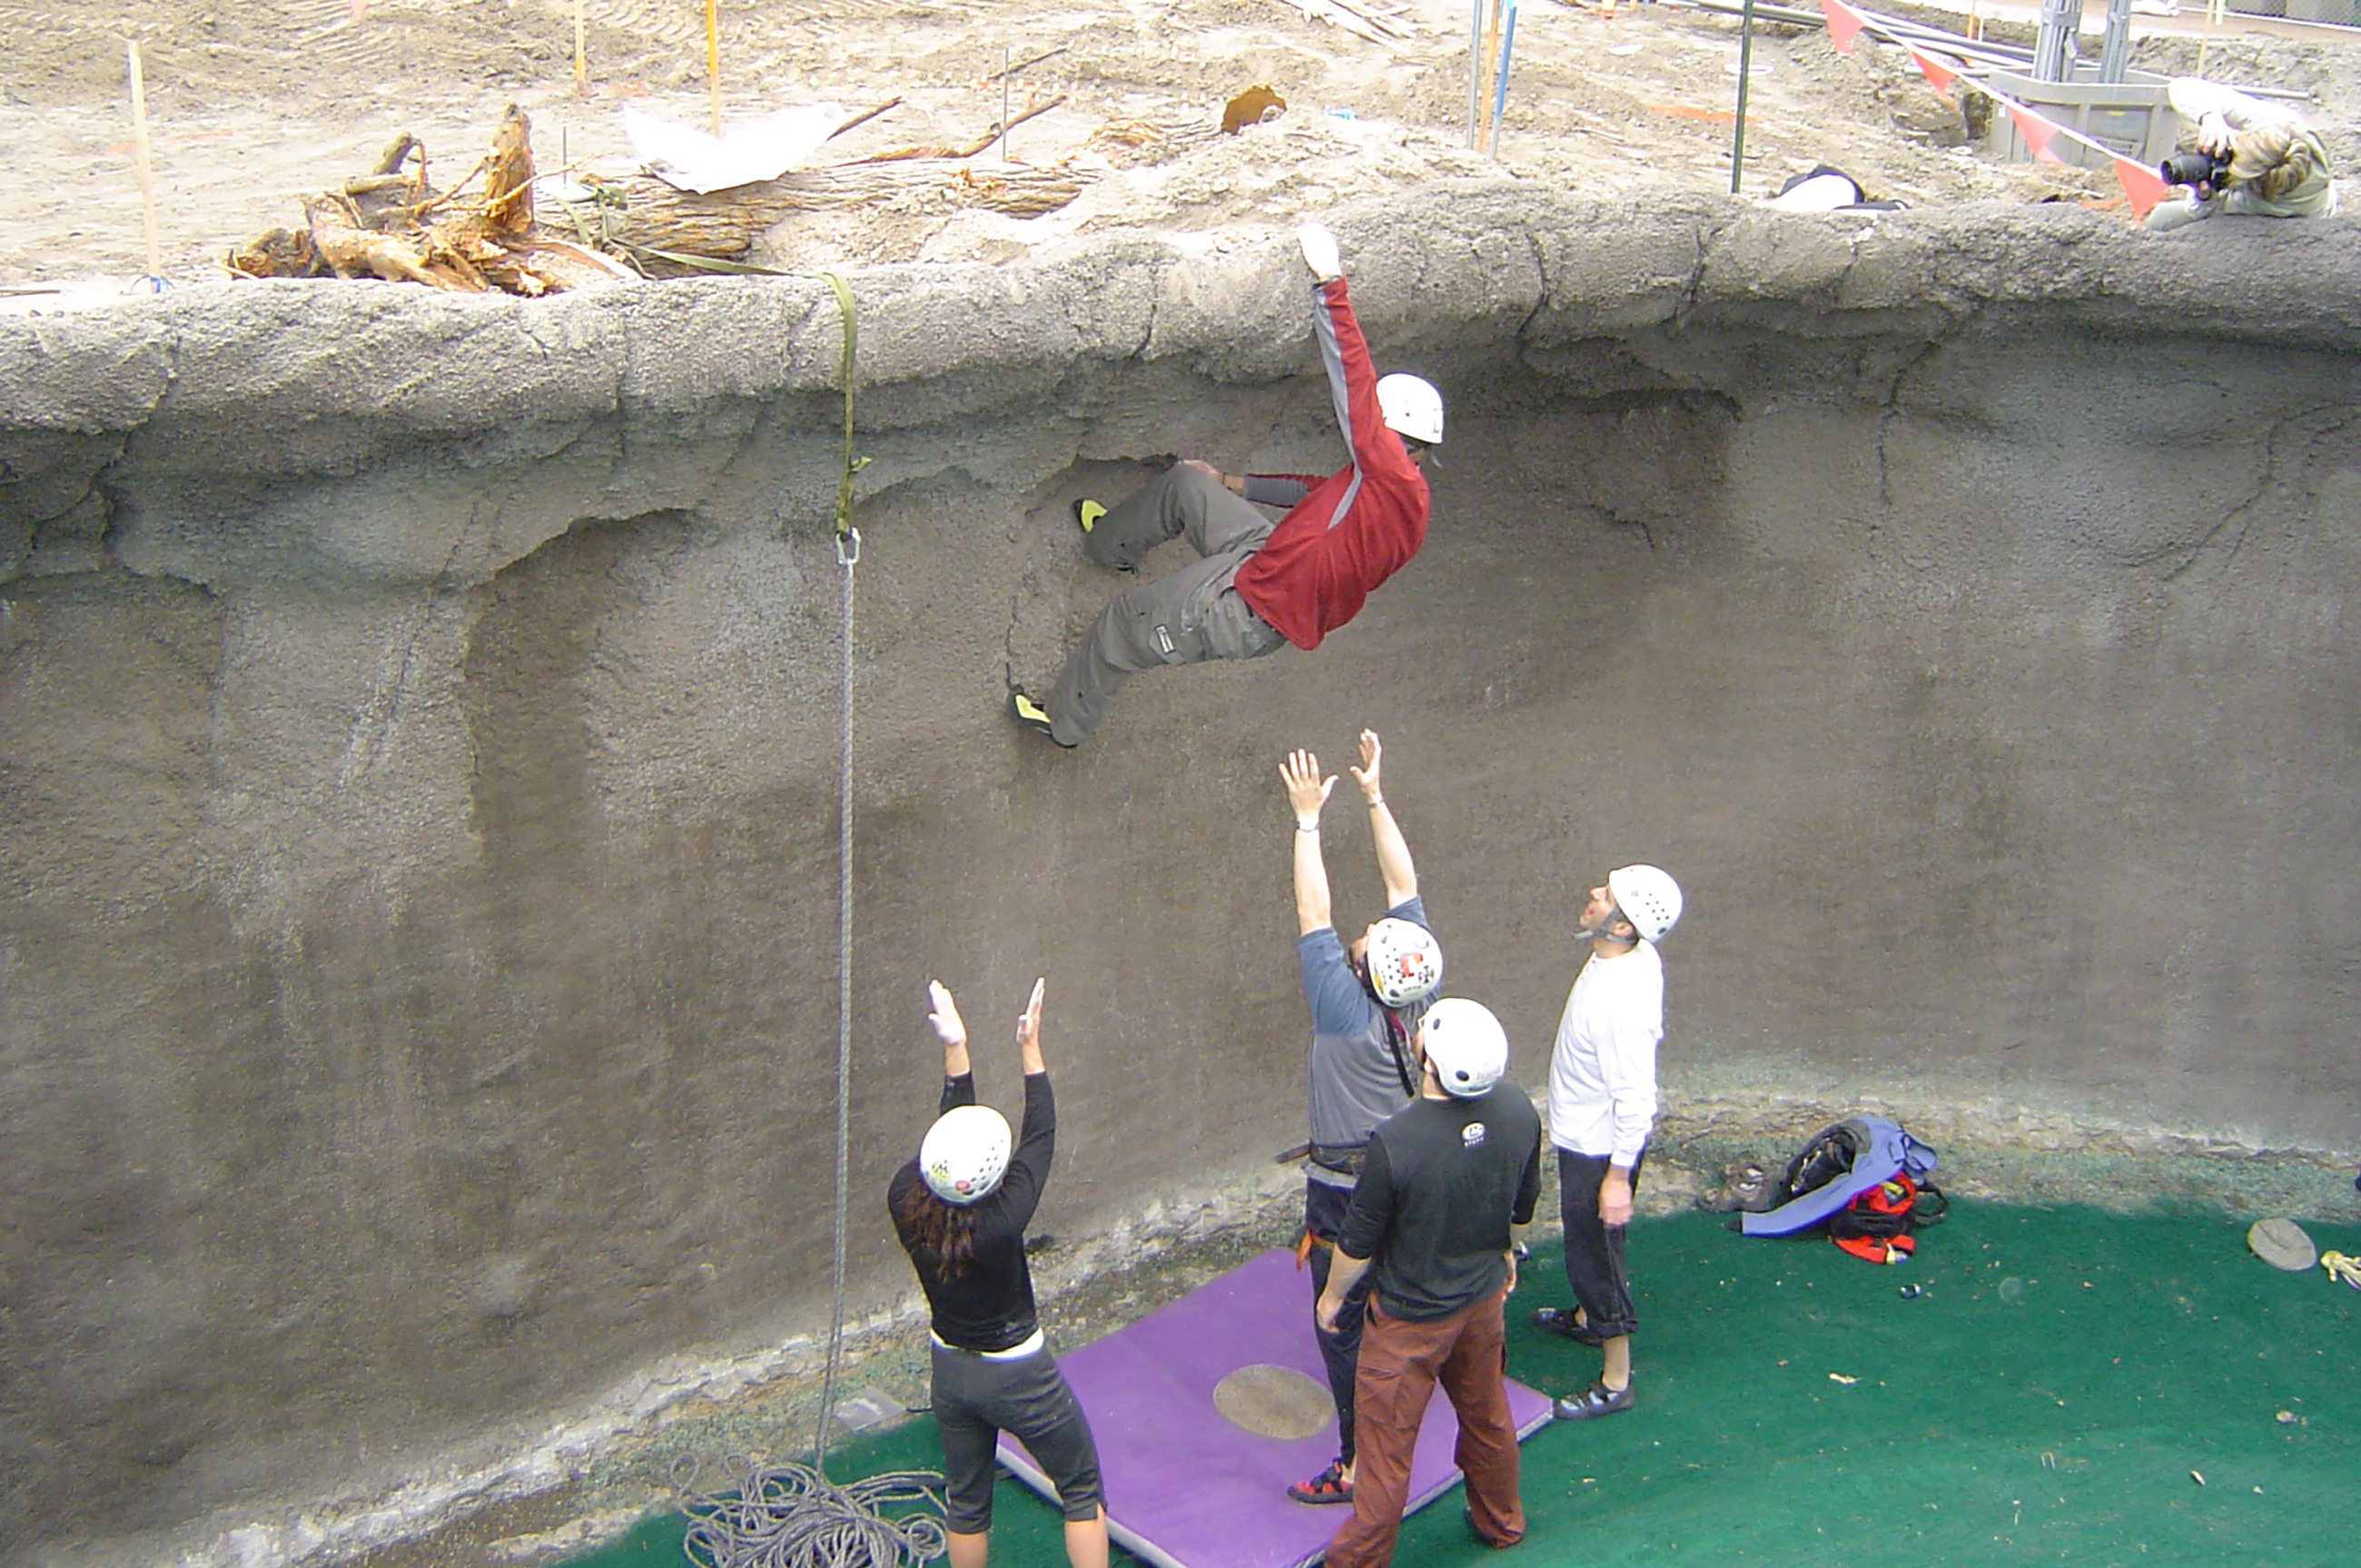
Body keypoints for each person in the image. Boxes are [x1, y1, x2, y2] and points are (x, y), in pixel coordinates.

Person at [1010, 222, 1441, 747]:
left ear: (1391, 434)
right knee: (1188, 484)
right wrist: (1232, 483)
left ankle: (1064, 726)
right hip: (1267, 560)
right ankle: (1109, 544)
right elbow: (1314, 494)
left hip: (1250, 609)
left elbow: (1351, 380)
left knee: (1120, 624)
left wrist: (1330, 284)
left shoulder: (1387, 471)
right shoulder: (1398, 496)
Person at [1315, 998, 1544, 1568]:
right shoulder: (1518, 1109)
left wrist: (1332, 1297)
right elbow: (1523, 1206)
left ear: (1431, 1063)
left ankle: (1358, 1560)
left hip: (1408, 1322)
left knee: (1386, 1452)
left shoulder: (1396, 1142)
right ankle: (1502, 1522)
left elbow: (1357, 1244)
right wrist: (1506, 1251)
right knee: (1488, 1415)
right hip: (1482, 1299)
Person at [1278, 729, 1447, 1506]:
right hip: (1409, 1172)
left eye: (1376, 932)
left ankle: (1355, 1461)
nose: (1375, 924)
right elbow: (1402, 882)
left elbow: (1313, 905)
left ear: (1362, 966)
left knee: (1339, 1319)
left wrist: (1308, 818)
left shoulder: (1341, 1006)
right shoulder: (1417, 985)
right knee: (1401, 1300)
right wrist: (1376, 795)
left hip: (1344, 1192)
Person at [886, 978, 1108, 1568]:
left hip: (949, 1368)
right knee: (1082, 1488)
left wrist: (955, 1051)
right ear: (992, 1181)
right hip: (1019, 1372)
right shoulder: (1001, 1223)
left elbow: (948, 1152)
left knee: (966, 1503)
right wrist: (1030, 1048)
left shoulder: (905, 1198)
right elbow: (1040, 1134)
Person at [1528, 864, 1684, 1421]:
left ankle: (1615, 1378)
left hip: (1597, 1151)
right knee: (1591, 1248)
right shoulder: (1632, 958)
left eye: (1608, 896)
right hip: (1593, 1139)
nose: (1594, 893)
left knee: (1594, 1256)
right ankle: (1589, 1320)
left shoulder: (1620, 1007)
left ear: (1622, 927)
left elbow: (1637, 1097)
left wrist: (1617, 1179)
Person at [2145, 77, 2337, 234]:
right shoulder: (2285, 125)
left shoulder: (2249, 203)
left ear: (2251, 182)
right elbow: (2181, 87)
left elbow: (2201, 212)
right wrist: (2210, 117)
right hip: (2315, 206)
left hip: (2290, 228)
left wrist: (2204, 196)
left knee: (2161, 218)